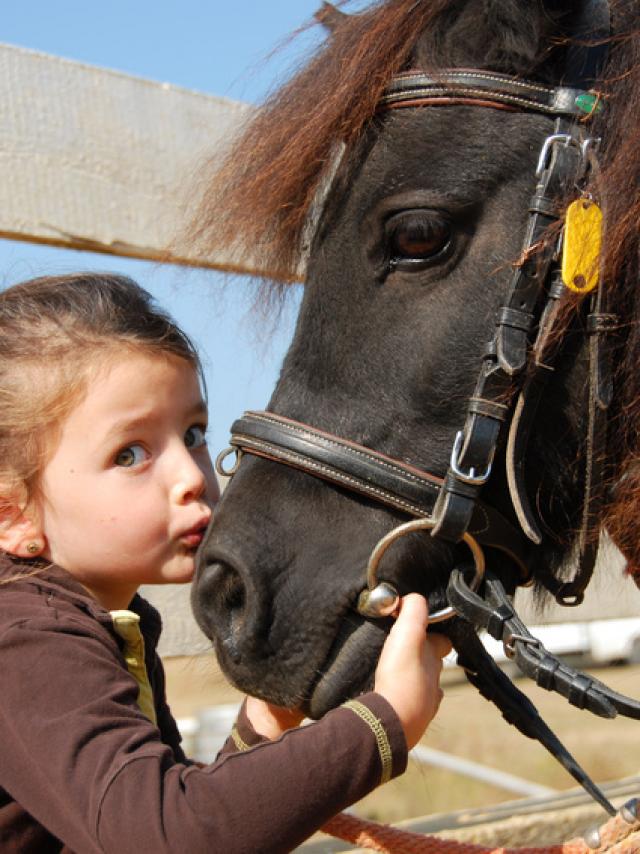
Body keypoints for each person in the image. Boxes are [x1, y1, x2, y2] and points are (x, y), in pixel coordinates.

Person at [0, 272, 451, 854]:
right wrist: (383, 727)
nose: (192, 477)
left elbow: (148, 813)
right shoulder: (27, 643)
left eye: (191, 434)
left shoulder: (92, 621)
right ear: (12, 514)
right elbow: (167, 838)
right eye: (129, 454)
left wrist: (259, 727)